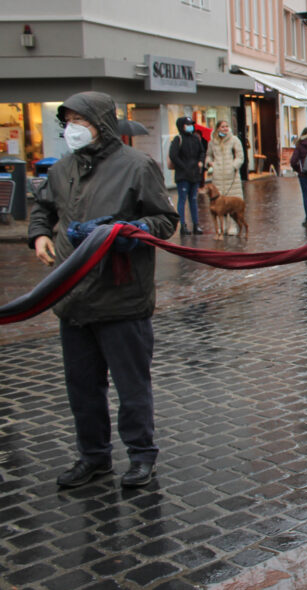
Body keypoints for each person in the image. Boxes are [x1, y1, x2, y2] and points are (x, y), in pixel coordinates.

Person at [27, 91, 179, 488]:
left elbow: (164, 219)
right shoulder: (62, 169)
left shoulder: (136, 166)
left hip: (120, 295)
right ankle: (93, 457)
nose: (73, 129)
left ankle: (141, 456)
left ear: (102, 123)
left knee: (132, 387)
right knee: (82, 387)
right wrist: (40, 235)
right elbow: (44, 207)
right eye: (69, 121)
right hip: (73, 298)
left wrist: (134, 231)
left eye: (82, 121)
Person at [205, 120, 245, 234]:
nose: (225, 128)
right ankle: (220, 228)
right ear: (218, 128)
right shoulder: (212, 142)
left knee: (232, 203)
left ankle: (232, 226)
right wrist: (210, 163)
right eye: (222, 127)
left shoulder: (234, 140)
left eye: (227, 126)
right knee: (218, 203)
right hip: (218, 177)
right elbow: (208, 156)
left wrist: (233, 166)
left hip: (232, 176)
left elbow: (240, 156)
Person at [169, 115, 205, 236]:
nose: (190, 127)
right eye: (188, 125)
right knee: (182, 200)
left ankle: (196, 225)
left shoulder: (195, 139)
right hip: (183, 176)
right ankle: (183, 226)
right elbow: (173, 155)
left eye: (191, 124)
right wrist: (184, 166)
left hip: (194, 175)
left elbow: (202, 152)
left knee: (194, 200)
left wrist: (200, 162)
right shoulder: (178, 139)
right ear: (182, 126)